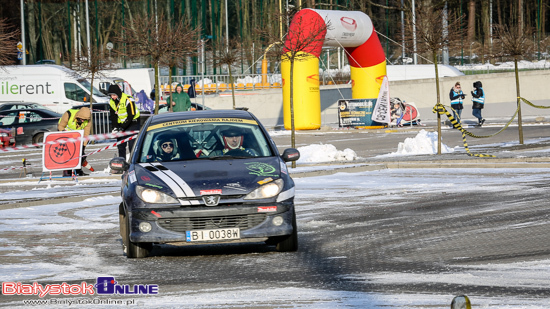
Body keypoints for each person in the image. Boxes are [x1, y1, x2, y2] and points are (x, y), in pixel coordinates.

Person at [57, 107, 93, 176]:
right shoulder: (68, 114)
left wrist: (83, 146)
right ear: (78, 117)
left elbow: (86, 134)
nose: (83, 121)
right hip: (64, 134)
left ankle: (78, 170)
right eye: (81, 119)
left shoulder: (88, 120)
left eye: (84, 120)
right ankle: (67, 171)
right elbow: (61, 126)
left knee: (80, 154)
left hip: (76, 136)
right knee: (68, 154)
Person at [108, 84, 140, 160]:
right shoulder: (111, 102)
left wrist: (123, 127)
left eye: (114, 95)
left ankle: (133, 162)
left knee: (132, 145)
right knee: (121, 145)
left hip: (132, 123)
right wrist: (115, 127)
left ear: (118, 93)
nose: (112, 97)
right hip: (121, 124)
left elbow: (131, 115)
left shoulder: (128, 99)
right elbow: (113, 116)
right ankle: (122, 162)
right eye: (111, 95)